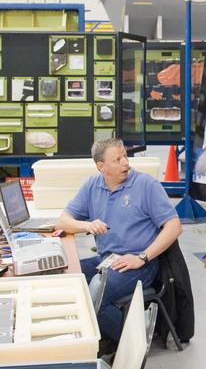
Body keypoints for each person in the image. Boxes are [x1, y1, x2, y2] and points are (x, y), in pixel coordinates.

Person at [56, 138, 183, 349]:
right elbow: (62, 221)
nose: (125, 163)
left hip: (139, 263)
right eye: (117, 160)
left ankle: (133, 345)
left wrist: (142, 258)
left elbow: (174, 227)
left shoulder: (146, 185)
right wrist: (86, 225)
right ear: (101, 167)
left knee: (96, 295)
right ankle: (95, 338)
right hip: (107, 259)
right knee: (67, 278)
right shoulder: (92, 186)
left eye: (125, 156)